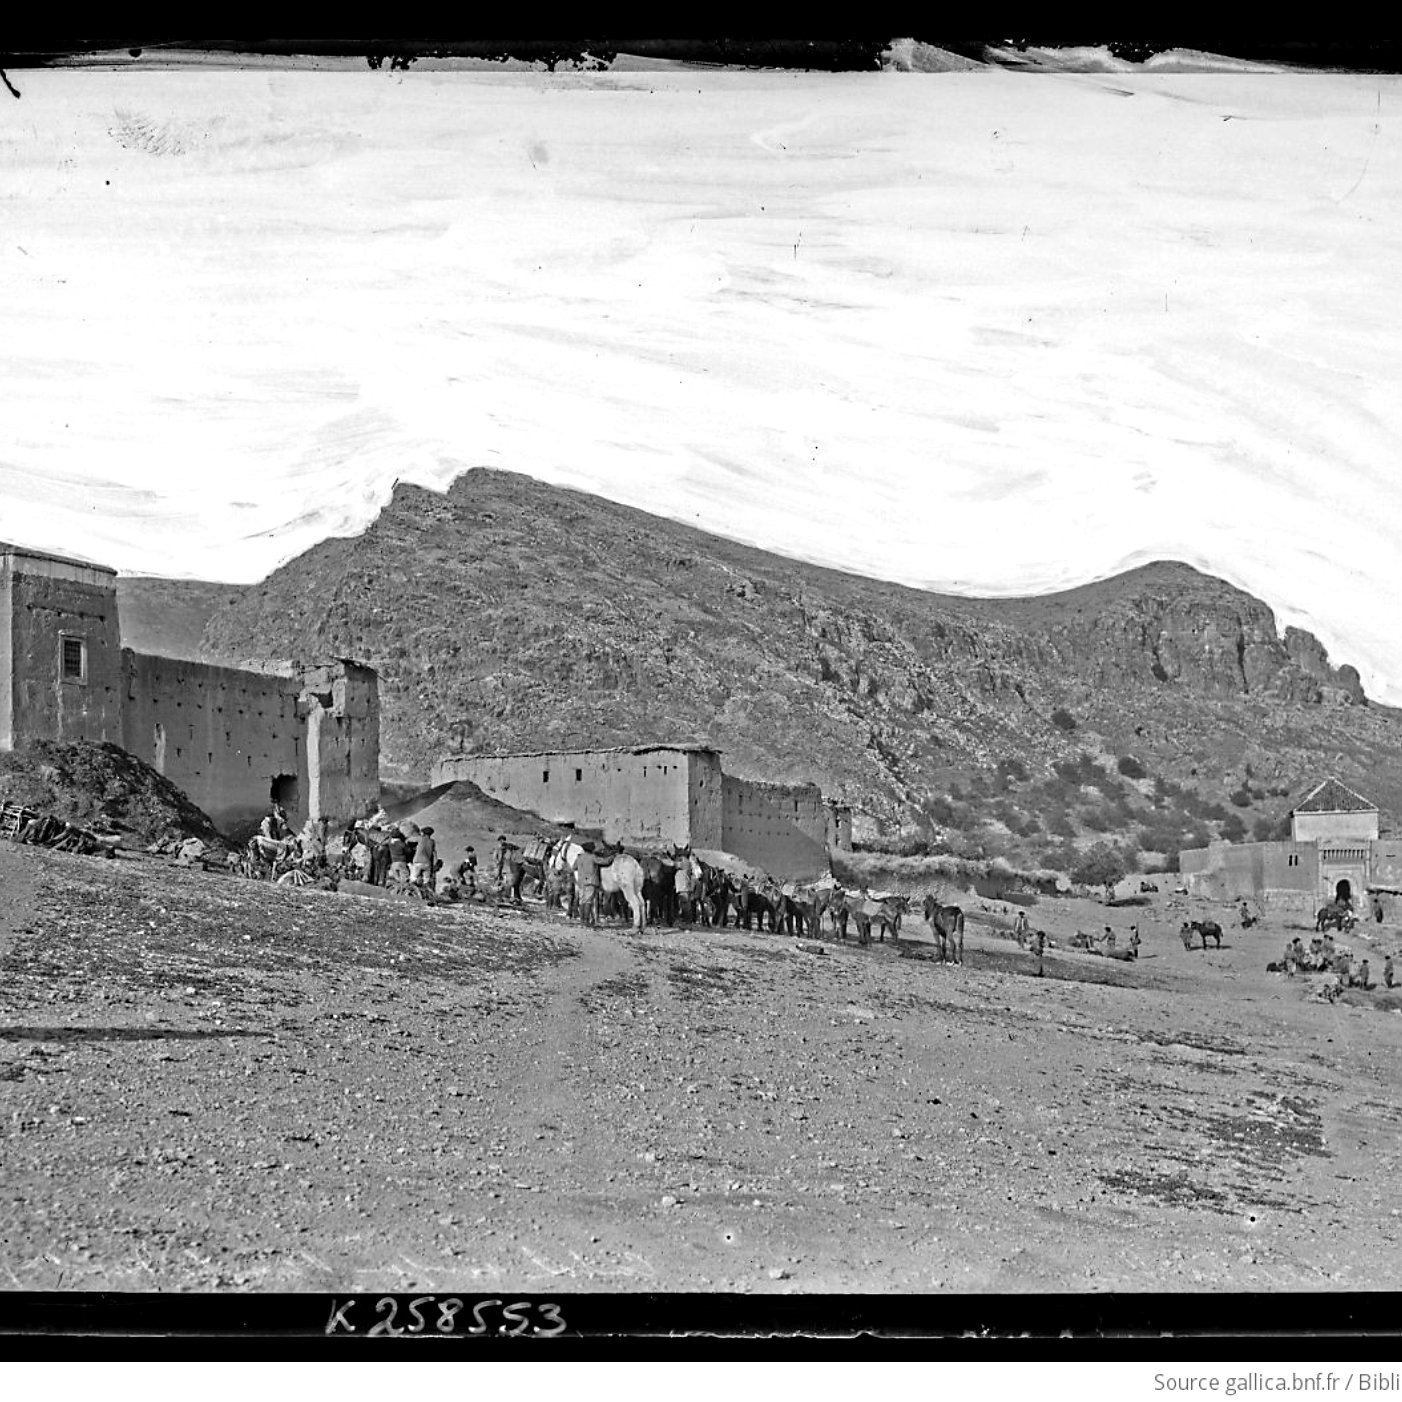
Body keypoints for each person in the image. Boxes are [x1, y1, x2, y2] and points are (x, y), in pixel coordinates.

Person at [575, 841, 601, 926]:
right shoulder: (593, 857)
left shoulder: (579, 857)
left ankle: (582, 921)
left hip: (581, 882)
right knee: (588, 901)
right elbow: (603, 862)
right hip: (590, 882)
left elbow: (573, 867)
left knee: (582, 901)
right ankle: (586, 921)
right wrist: (612, 857)